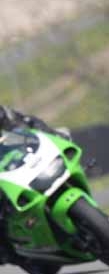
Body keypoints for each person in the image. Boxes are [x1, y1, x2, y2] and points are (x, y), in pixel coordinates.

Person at [0, 105, 70, 265]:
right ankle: (7, 250)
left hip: (19, 160)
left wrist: (53, 135)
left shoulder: (4, 115)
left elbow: (28, 124)